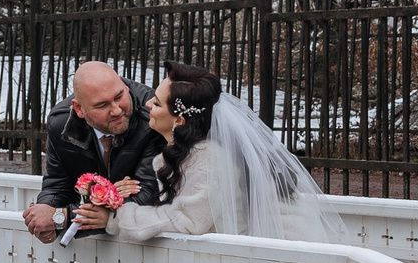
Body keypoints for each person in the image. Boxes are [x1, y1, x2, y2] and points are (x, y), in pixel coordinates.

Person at [71, 60, 334, 243]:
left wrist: (115, 219)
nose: (148, 103)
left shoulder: (210, 160)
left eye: (158, 102)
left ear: (179, 121)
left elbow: (187, 220)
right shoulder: (185, 150)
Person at [22, 61, 166, 243]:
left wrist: (63, 217)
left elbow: (147, 196)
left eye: (119, 96)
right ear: (79, 109)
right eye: (102, 105)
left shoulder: (152, 116)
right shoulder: (61, 124)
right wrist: (45, 213)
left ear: (124, 86)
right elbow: (58, 185)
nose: (116, 110)